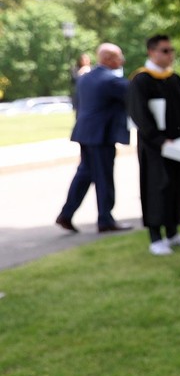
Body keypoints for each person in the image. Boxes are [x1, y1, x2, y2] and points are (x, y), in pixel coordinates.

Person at [127, 34, 180, 256]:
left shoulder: (174, 78)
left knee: (177, 186)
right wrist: (160, 141)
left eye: (171, 50)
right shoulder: (141, 80)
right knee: (156, 188)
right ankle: (155, 237)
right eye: (165, 51)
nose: (170, 55)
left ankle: (173, 233)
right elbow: (139, 115)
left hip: (178, 147)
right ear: (152, 52)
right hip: (154, 147)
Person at [56, 43, 133, 234]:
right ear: (107, 58)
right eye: (118, 57)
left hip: (85, 133)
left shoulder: (85, 78)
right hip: (101, 136)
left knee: (85, 174)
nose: (122, 60)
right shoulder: (110, 81)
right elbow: (135, 92)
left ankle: (66, 214)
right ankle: (105, 220)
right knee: (104, 177)